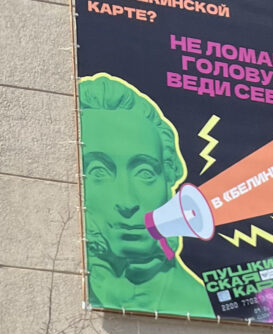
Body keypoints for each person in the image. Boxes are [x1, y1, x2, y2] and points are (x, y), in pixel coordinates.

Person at [78, 73, 215, 317]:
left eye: (145, 172)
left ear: (169, 178)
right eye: (98, 171)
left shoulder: (201, 305)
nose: (127, 202)